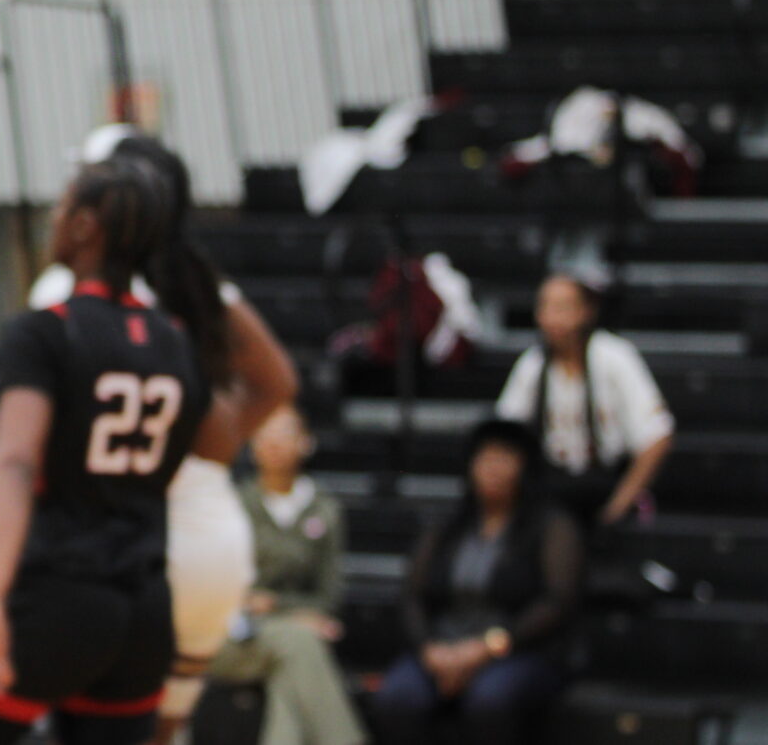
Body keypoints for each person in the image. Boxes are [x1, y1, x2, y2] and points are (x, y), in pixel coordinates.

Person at [30, 129, 298, 741]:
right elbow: (277, 382)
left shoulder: (71, 291)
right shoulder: (201, 283)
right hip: (212, 544)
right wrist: (202, 450)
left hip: (123, 547)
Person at [0, 159, 207, 745]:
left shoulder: (45, 331)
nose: (54, 218)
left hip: (54, 595)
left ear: (86, 226)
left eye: (63, 206)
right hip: (144, 609)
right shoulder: (176, 340)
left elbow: (15, 461)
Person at [371, 419, 582, 745]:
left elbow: (558, 600)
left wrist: (486, 648)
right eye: (486, 459)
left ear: (524, 468)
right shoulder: (448, 525)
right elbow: (412, 595)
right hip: (444, 645)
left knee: (490, 701)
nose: (493, 469)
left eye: (504, 459)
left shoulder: (550, 525)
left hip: (519, 648)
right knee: (397, 697)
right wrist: (428, 649)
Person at [208, 407, 364, 745]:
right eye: (264, 434)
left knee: (292, 669)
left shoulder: (325, 509)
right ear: (252, 445)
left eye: (283, 432)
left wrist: (276, 605)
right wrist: (291, 613)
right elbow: (220, 587)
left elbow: (328, 598)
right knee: (301, 642)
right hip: (230, 636)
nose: (273, 442)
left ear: (306, 442)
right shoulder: (232, 504)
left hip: (287, 636)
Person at [496, 274, 674, 527]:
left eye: (562, 308)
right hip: (551, 490)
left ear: (586, 311)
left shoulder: (615, 356)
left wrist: (617, 507)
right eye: (545, 307)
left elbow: (657, 435)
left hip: (608, 484)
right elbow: (505, 437)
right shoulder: (532, 365)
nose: (551, 318)